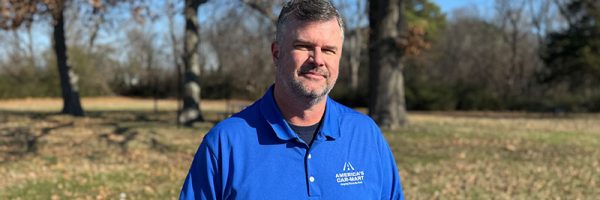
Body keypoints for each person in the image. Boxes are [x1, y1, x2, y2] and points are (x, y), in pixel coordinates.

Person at [179, 0, 404, 199]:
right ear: (277, 53)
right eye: (304, 46)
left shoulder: (366, 135)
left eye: (328, 50)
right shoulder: (226, 143)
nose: (317, 60)